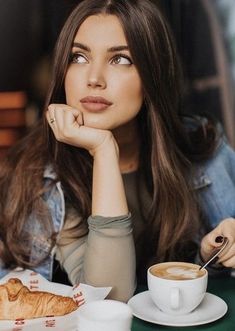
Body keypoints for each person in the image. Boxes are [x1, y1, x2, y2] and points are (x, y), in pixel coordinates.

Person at [0, 0, 235, 302]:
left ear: (153, 75)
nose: (94, 78)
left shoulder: (202, 148)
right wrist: (103, 149)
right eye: (79, 57)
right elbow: (107, 297)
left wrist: (212, 253)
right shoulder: (40, 176)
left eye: (121, 60)